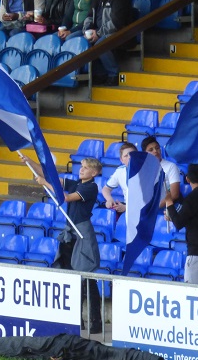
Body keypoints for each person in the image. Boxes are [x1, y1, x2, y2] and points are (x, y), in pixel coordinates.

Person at [24, 152, 103, 333]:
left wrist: (45, 184)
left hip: (81, 235)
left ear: (94, 173)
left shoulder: (91, 188)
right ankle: (74, 320)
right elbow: (51, 177)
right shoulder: (77, 183)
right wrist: (31, 162)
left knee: (86, 278)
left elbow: (66, 197)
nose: (81, 170)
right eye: (81, 166)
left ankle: (94, 321)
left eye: (85, 168)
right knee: (69, 276)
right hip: (70, 233)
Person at [165, 164, 198, 285]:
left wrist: (169, 203)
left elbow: (179, 223)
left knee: (192, 292)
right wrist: (172, 216)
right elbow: (193, 217)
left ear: (187, 179)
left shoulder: (191, 199)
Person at [83, 0, 130, 86]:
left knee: (101, 44)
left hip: (119, 33)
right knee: (74, 38)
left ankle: (113, 74)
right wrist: (87, 29)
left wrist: (98, 33)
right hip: (97, 30)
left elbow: (116, 22)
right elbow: (90, 15)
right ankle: (98, 73)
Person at [141, 135, 181, 207]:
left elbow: (175, 195)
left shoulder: (171, 167)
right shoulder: (142, 169)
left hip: (167, 208)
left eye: (157, 148)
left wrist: (154, 207)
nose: (155, 151)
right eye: (151, 150)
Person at [102, 141, 137, 212]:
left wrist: (126, 208)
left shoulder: (146, 171)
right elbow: (106, 189)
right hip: (127, 206)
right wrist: (109, 199)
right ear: (122, 160)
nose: (130, 157)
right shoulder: (120, 171)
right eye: (126, 156)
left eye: (132, 154)